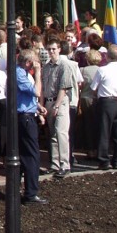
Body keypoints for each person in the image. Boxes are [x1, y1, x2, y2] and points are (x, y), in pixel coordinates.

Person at [90, 45, 117, 170]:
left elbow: (93, 88)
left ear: (107, 57)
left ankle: (104, 161)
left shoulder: (102, 70)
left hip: (106, 101)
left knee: (104, 131)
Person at [16, 49, 47, 204]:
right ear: (28, 62)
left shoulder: (22, 73)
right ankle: (30, 193)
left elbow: (27, 97)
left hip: (28, 114)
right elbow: (36, 91)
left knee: (27, 155)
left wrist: (37, 107)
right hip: (25, 119)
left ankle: (26, 190)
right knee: (31, 156)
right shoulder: (20, 74)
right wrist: (38, 73)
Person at [42, 39, 73, 178]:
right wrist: (43, 106)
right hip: (48, 102)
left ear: (59, 49)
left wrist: (57, 105)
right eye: (49, 49)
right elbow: (42, 88)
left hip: (60, 102)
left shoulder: (64, 65)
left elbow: (64, 87)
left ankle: (65, 164)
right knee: (53, 134)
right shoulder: (46, 67)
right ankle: (55, 164)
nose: (51, 52)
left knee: (61, 133)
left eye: (54, 49)